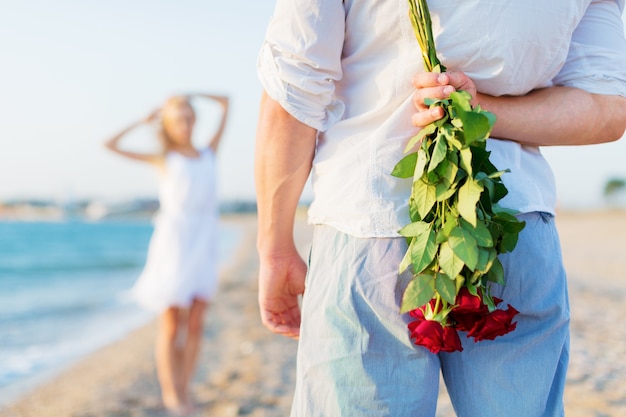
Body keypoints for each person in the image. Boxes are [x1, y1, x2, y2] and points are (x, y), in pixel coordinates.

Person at [254, 1, 626, 416]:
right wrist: (480, 109)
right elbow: (606, 107)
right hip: (509, 228)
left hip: (371, 222)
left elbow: (294, 90)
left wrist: (274, 246)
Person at [104, 94, 229, 416]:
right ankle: (172, 395)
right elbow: (109, 144)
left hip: (204, 239)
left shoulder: (207, 153)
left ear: (195, 120)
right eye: (177, 120)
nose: (185, 125)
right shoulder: (164, 158)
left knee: (197, 322)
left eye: (189, 118)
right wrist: (142, 121)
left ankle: (185, 392)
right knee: (172, 323)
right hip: (174, 243)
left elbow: (226, 103)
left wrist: (196, 95)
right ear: (168, 125)